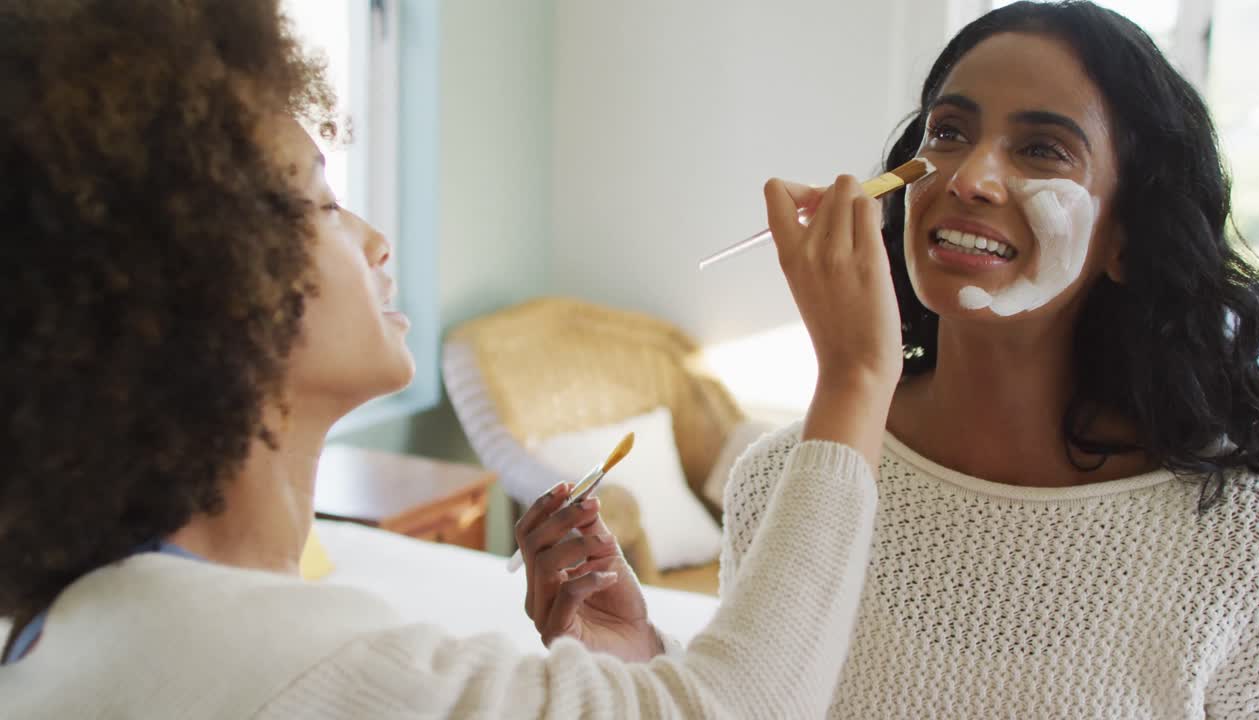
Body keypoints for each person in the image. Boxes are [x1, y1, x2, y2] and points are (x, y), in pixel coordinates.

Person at [0, 1, 895, 718]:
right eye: (322, 204)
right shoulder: (282, 661)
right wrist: (854, 376)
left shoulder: (78, 631)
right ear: (201, 283)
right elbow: (735, 709)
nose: (376, 241)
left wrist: (616, 668)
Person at [521, 2, 1259, 717]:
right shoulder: (784, 481)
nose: (968, 177)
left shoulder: (1247, 539)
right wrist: (638, 662)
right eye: (948, 132)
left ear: (1127, 238)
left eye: (1041, 149)